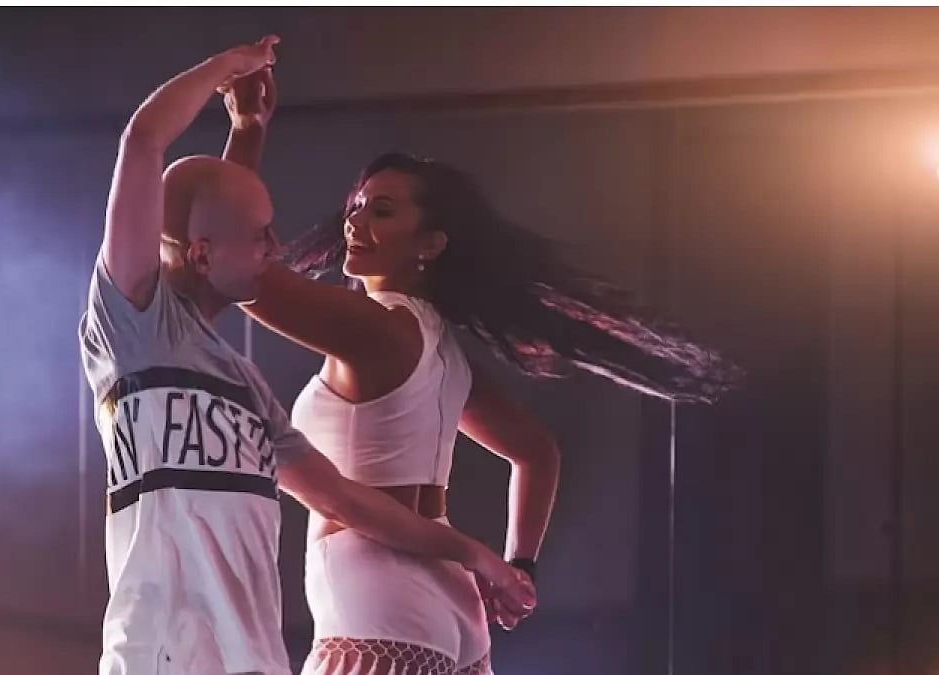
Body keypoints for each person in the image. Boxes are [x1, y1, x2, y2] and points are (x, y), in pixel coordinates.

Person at [221, 68, 742, 674]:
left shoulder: (376, 328)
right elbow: (536, 453)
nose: (355, 222)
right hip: (451, 606)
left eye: (382, 211)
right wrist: (520, 564)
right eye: (357, 206)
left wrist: (246, 133)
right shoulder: (442, 348)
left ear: (430, 243)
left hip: (376, 602)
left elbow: (237, 270)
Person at [77, 36, 535, 675]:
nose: (276, 247)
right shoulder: (131, 326)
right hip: (161, 654)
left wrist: (477, 555)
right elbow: (146, 143)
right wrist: (223, 72)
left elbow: (348, 501)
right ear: (204, 252)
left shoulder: (248, 388)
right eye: (262, 235)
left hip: (260, 658)